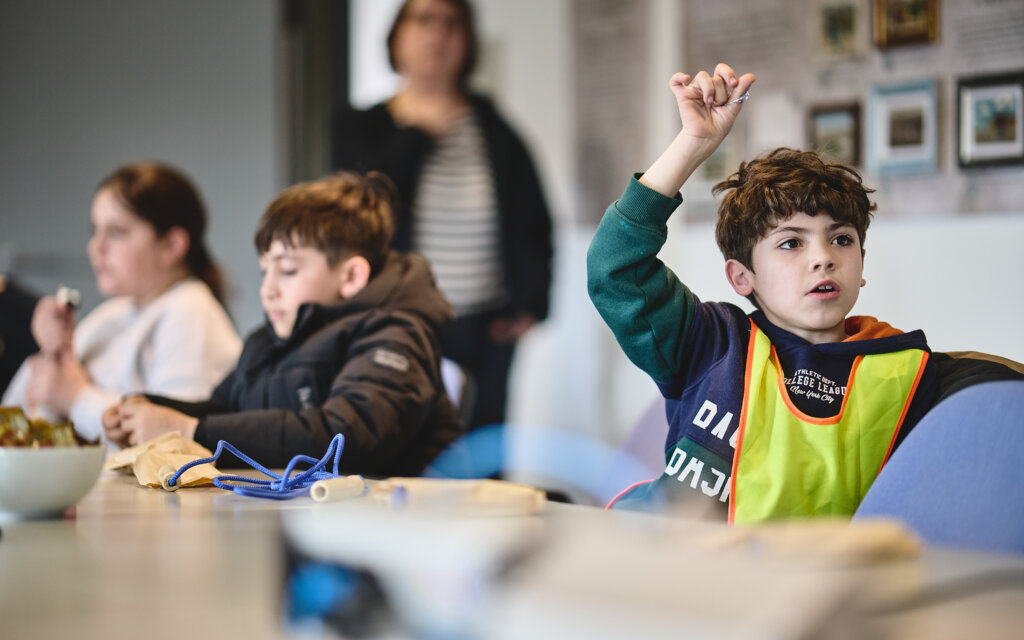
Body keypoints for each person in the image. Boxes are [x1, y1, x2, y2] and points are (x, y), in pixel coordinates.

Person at [589, 64, 953, 523]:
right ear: (743, 278)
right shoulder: (707, 342)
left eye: (841, 239)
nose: (822, 258)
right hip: (662, 559)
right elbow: (614, 266)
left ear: (862, 268)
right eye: (791, 243)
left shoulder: (907, 371)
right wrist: (692, 145)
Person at [102, 172, 464, 477]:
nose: (268, 289)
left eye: (288, 270)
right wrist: (146, 411)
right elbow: (228, 412)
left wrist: (189, 430)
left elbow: (346, 439)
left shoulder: (397, 334)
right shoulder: (269, 340)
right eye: (265, 271)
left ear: (351, 276)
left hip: (400, 530)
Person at [332, 0, 553, 431]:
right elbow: (356, 210)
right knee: (396, 450)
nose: (438, 35)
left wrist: (530, 303)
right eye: (424, 20)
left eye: (452, 24)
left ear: (467, 41)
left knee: (483, 463)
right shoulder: (361, 126)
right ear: (396, 38)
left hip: (484, 328)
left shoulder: (494, 128)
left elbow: (534, 221)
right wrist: (415, 134)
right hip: (393, 321)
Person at [3, 163, 241, 442]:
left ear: (171, 245)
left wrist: (77, 398)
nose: (95, 247)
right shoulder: (112, 313)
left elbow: (175, 442)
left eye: (116, 232)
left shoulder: (191, 312)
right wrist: (55, 353)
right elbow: (15, 418)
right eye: (95, 230)